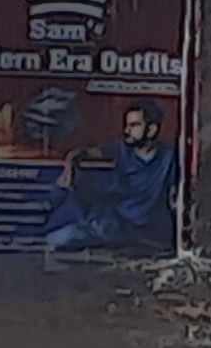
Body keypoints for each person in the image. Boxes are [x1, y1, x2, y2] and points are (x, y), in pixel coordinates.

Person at [43, 102, 183, 253]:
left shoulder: (170, 157)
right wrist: (73, 159)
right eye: (127, 125)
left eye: (134, 125)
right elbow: (91, 153)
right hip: (115, 227)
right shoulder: (120, 150)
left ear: (151, 129)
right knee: (57, 238)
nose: (127, 130)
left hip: (150, 232)